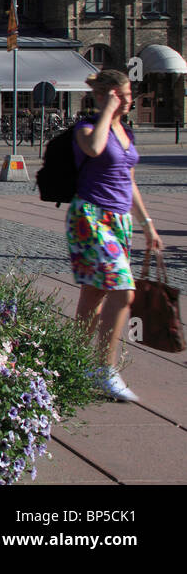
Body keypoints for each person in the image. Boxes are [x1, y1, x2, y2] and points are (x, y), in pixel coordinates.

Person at [69, 70, 162, 402]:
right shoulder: (86, 128)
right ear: (106, 96)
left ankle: (72, 364)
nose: (130, 100)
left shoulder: (127, 133)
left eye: (128, 94)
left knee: (93, 295)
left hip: (119, 221)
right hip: (90, 217)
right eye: (122, 94)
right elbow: (94, 149)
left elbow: (129, 180)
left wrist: (147, 224)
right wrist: (106, 110)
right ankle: (102, 370)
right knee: (123, 290)